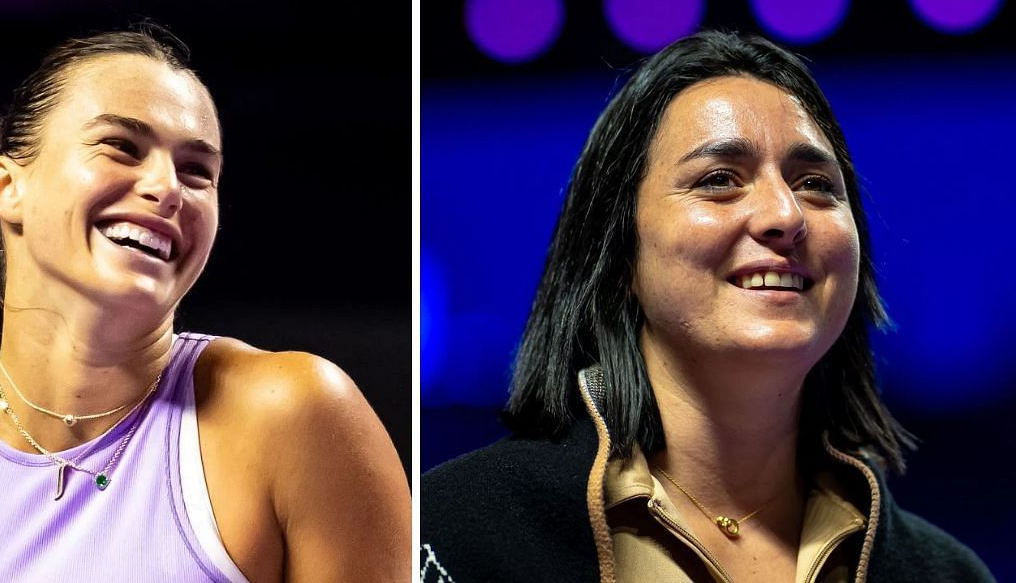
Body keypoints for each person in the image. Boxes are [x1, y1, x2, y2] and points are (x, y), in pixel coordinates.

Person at [0, 24, 410, 581]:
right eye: (122, 146)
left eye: (198, 171)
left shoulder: (298, 418)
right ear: (6, 186)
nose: (167, 188)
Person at [420, 31, 993, 582]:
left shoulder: (948, 573)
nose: (785, 215)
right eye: (720, 179)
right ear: (619, 258)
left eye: (816, 183)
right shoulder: (456, 532)